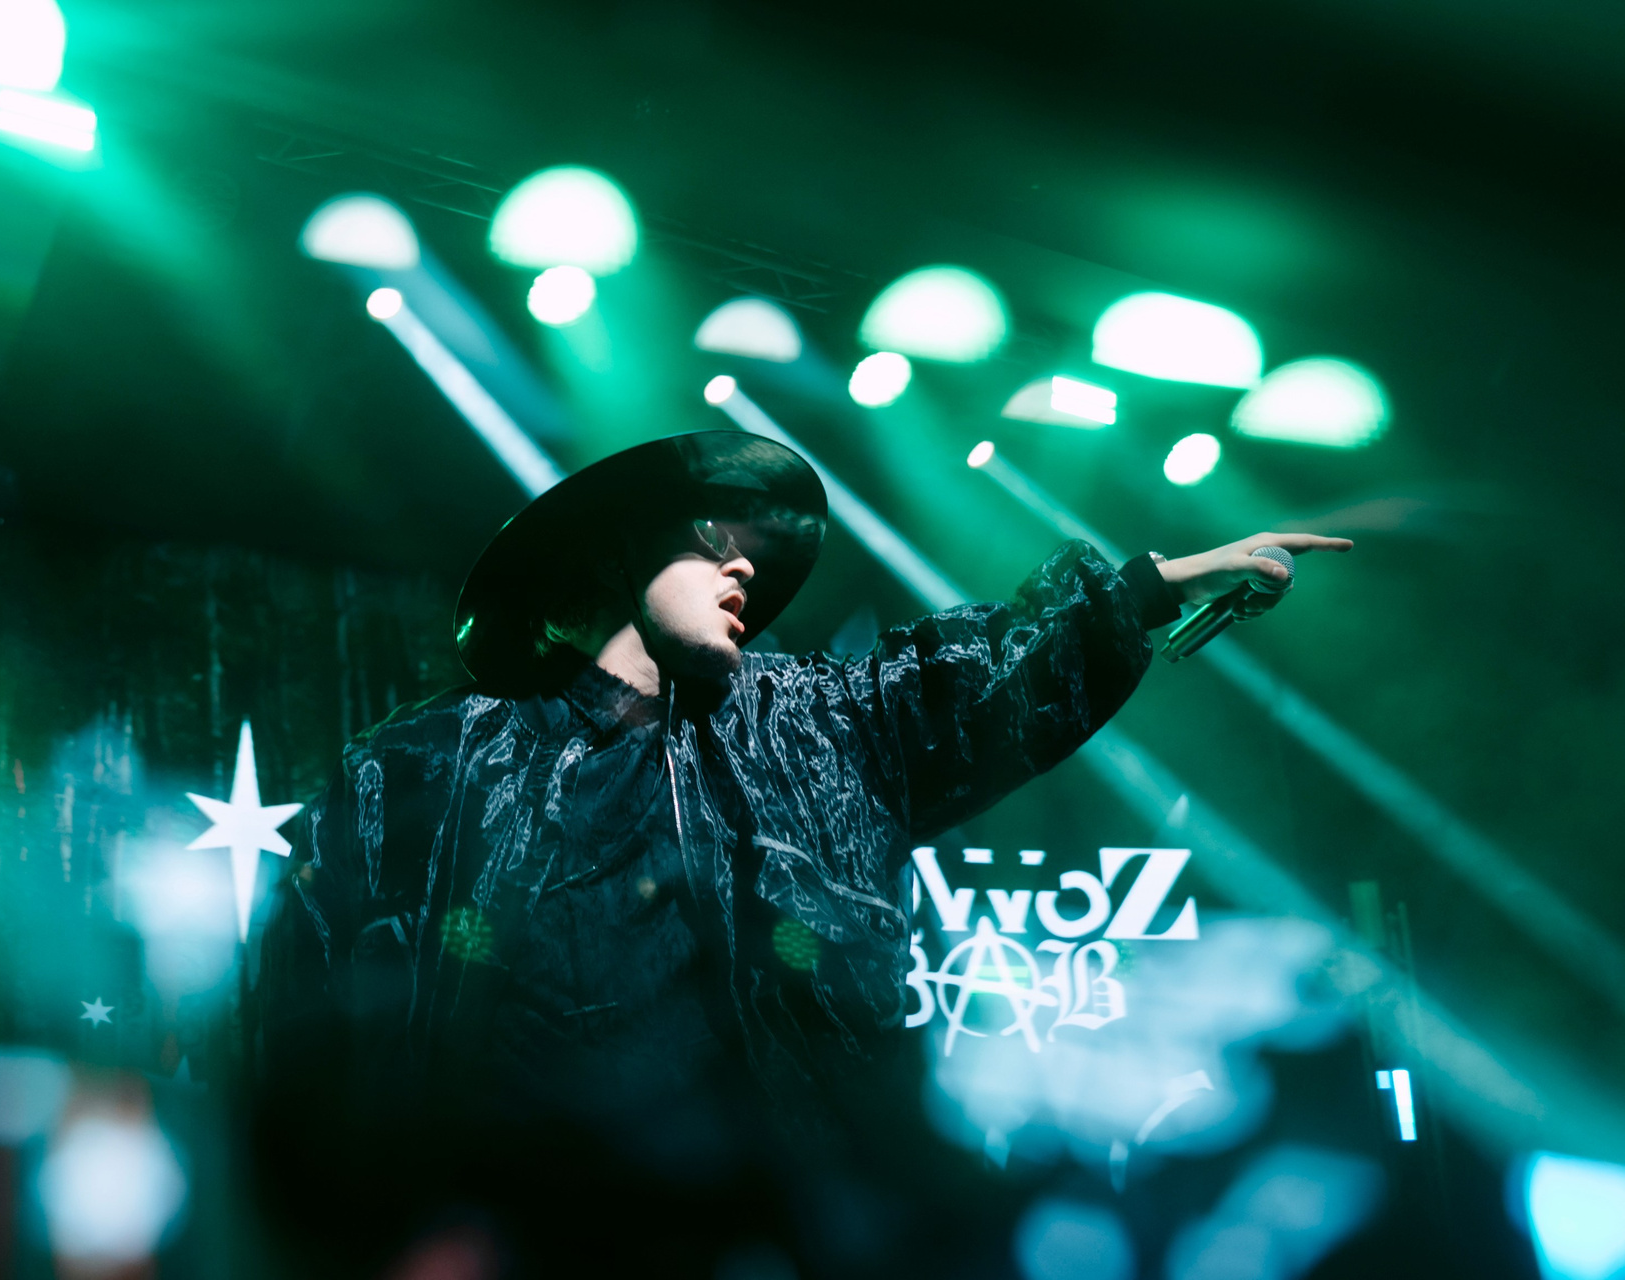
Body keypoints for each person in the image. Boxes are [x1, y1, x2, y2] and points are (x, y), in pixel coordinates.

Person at [253, 431, 1351, 1278]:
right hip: (538, 1231)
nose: (743, 563)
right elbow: (312, 1010)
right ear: (619, 548)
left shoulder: (822, 721)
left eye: (755, 550)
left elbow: (979, 674)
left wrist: (1155, 586)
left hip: (799, 1224)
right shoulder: (426, 764)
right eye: (709, 537)